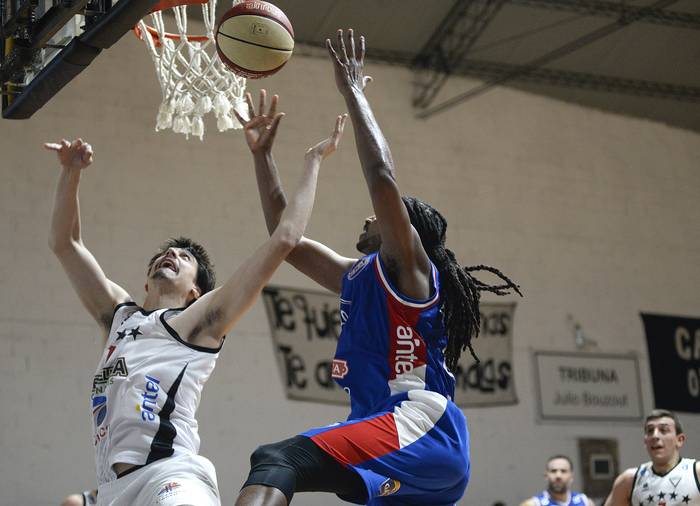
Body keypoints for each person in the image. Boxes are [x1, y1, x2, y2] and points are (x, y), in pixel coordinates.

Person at [233, 29, 521, 506]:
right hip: (392, 439)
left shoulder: (410, 271)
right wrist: (264, 158)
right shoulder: (357, 274)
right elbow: (285, 239)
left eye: (384, 217)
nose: (369, 217)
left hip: (419, 427)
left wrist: (353, 91)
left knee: (274, 459)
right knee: (284, 467)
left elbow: (381, 176)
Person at [45, 119, 344, 506]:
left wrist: (312, 160)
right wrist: (70, 173)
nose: (171, 255)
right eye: (165, 253)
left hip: (171, 477)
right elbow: (64, 242)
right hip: (114, 492)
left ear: (195, 291)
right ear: (147, 282)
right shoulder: (118, 316)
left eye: (184, 258)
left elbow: (285, 238)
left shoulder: (198, 324)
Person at [604, 409, 699, 506]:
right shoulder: (628, 480)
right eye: (650, 431)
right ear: (645, 441)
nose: (655, 436)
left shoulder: (696, 472)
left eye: (663, 430)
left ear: (680, 440)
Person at [520, 455, 594, 506]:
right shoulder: (533, 504)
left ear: (572, 476)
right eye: (553, 471)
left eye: (563, 471)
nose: (558, 475)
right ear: (546, 476)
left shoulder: (585, 502)